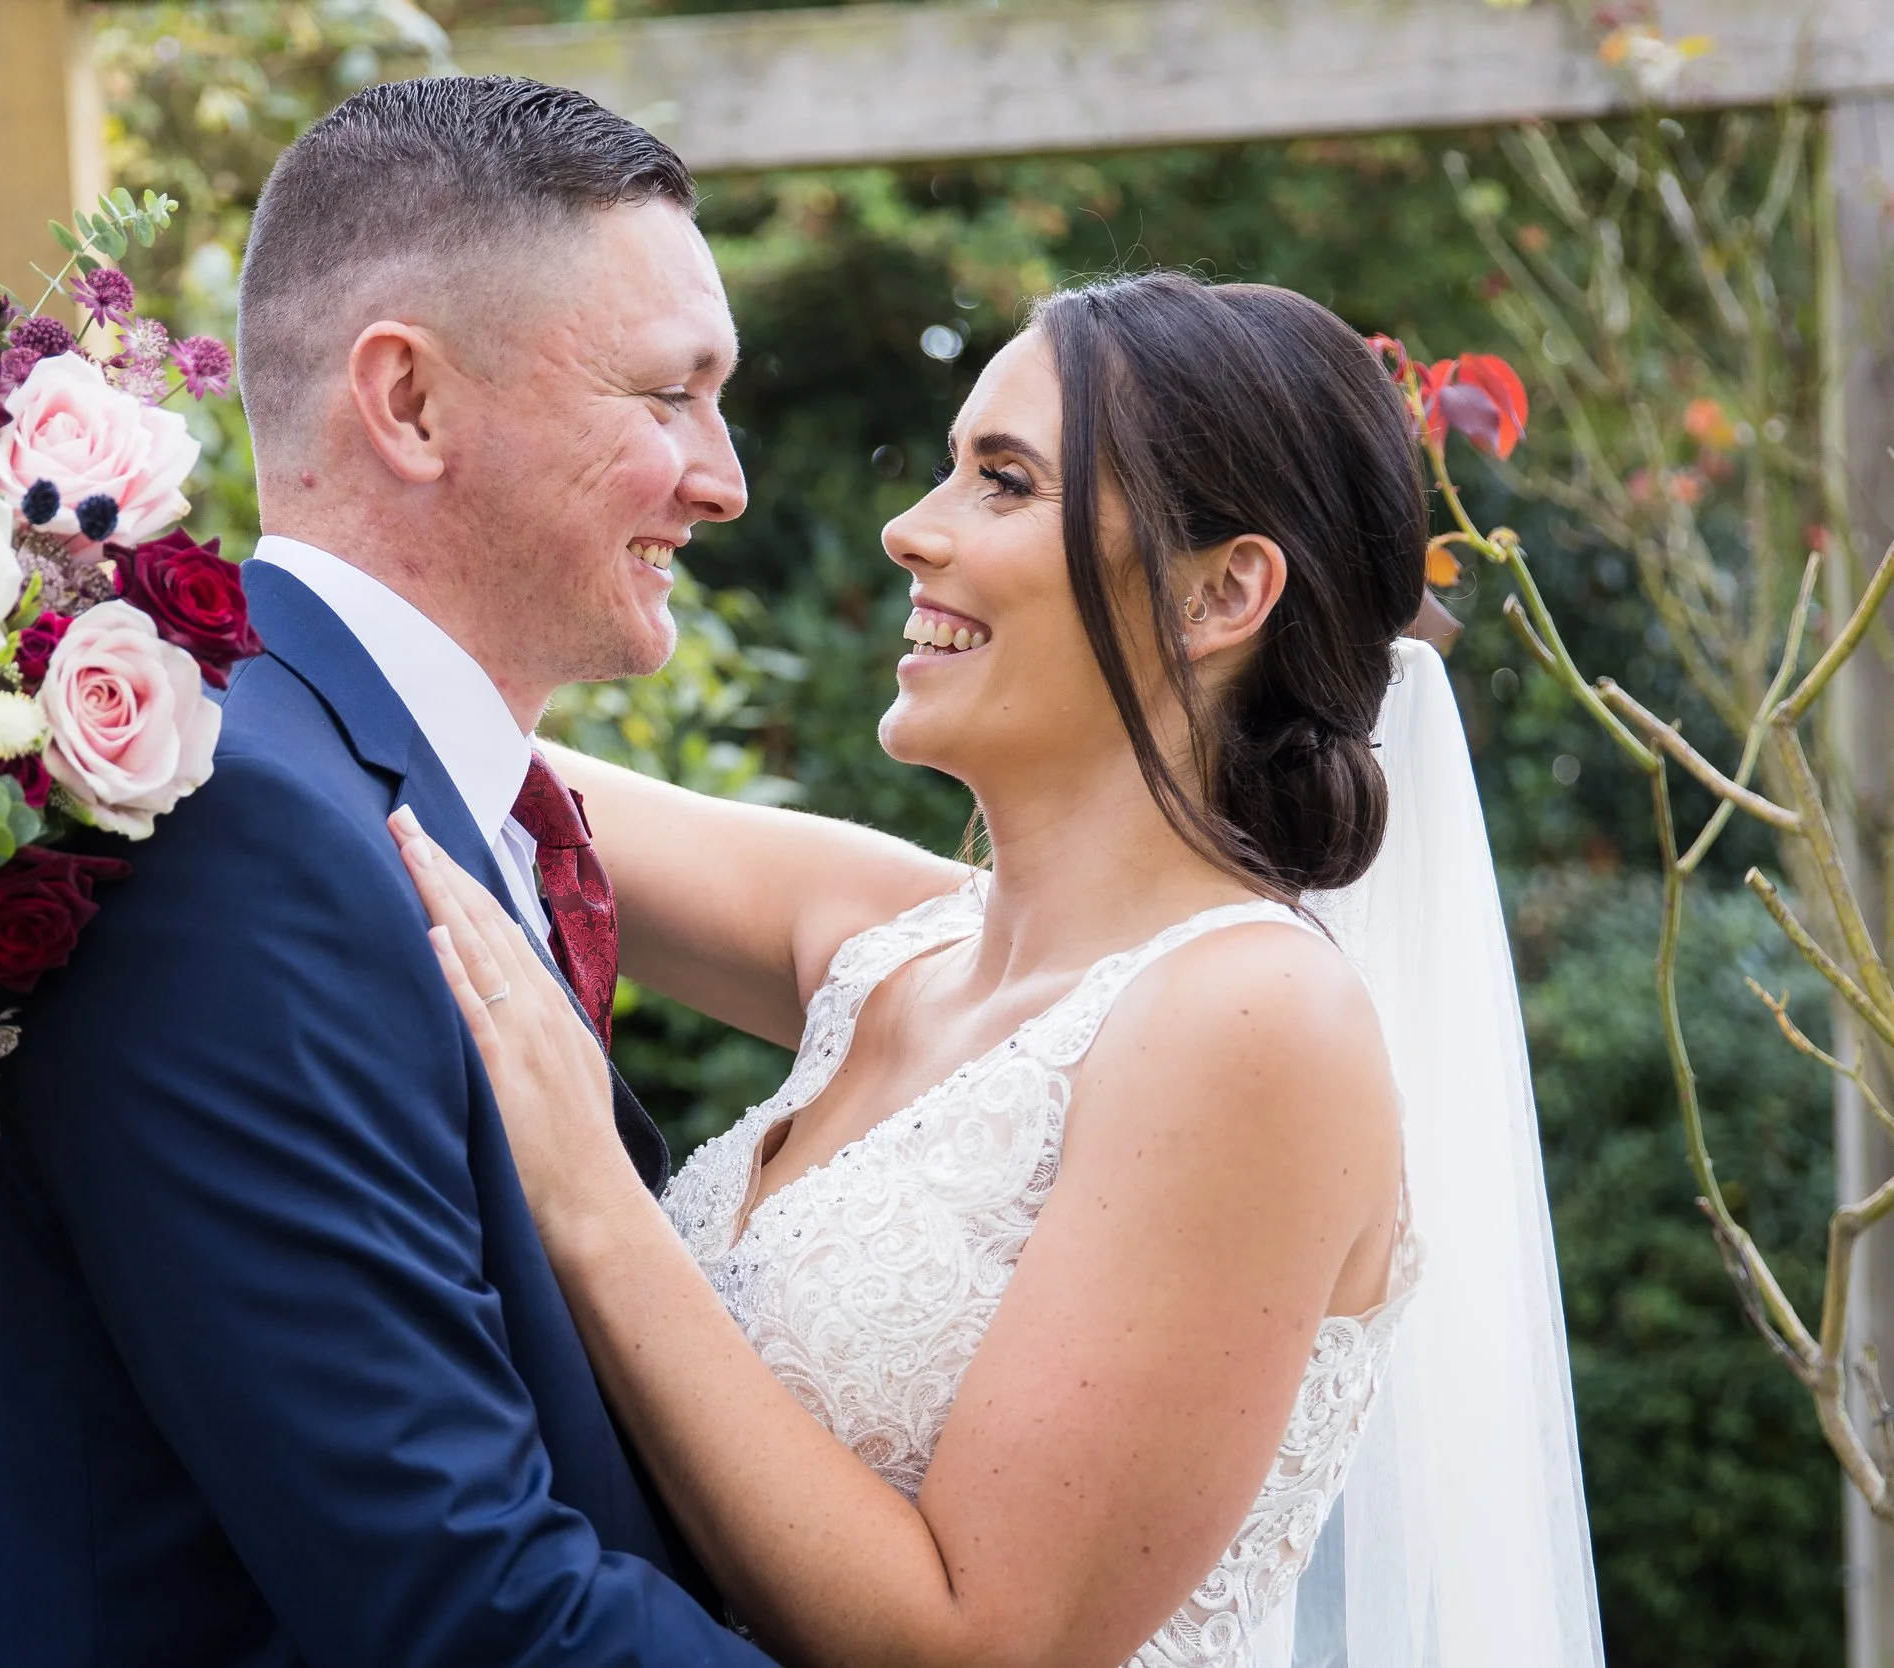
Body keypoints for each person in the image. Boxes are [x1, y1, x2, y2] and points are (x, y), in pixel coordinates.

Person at [390, 272, 1603, 1668]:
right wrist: (105, 590)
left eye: (1005, 483)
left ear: (1225, 592)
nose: (913, 530)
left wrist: (595, 1210)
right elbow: (423, 758)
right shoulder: (889, 939)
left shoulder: (1254, 1023)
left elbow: (982, 1648)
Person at [0, 76, 775, 1665]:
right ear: (413, 405)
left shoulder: (372, 787)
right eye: (670, 397)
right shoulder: (228, 838)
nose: (722, 480)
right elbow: (460, 1601)